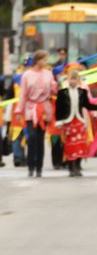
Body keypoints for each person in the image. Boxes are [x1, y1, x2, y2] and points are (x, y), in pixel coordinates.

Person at [17, 50, 58, 178]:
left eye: (47, 60)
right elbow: (23, 94)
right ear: (37, 60)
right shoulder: (27, 75)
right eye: (44, 60)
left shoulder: (48, 74)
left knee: (40, 139)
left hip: (44, 110)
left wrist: (58, 82)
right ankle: (31, 165)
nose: (46, 62)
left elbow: (53, 90)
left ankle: (39, 167)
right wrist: (19, 110)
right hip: (31, 109)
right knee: (32, 137)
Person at [55, 65, 95, 177]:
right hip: (68, 121)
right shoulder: (63, 92)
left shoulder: (82, 91)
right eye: (71, 78)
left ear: (78, 80)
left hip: (80, 120)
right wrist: (59, 121)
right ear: (68, 80)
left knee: (81, 144)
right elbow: (59, 108)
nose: (73, 81)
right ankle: (71, 167)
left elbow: (88, 104)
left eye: (75, 79)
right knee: (70, 145)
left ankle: (78, 166)